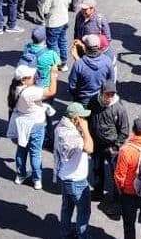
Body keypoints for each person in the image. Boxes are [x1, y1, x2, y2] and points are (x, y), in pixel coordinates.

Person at [8, 64, 58, 190]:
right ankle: (37, 180)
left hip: (22, 123)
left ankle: (20, 175)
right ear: (23, 80)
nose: (33, 77)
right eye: (30, 77)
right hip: (36, 124)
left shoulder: (14, 89)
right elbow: (52, 91)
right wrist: (53, 75)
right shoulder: (30, 92)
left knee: (21, 149)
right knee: (35, 152)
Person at [55, 102, 95, 239]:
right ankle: (82, 236)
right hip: (77, 181)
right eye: (82, 118)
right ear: (75, 119)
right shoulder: (74, 136)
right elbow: (89, 148)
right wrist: (85, 129)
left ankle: (65, 233)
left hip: (65, 177)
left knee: (67, 208)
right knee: (84, 212)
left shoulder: (60, 127)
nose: (84, 120)